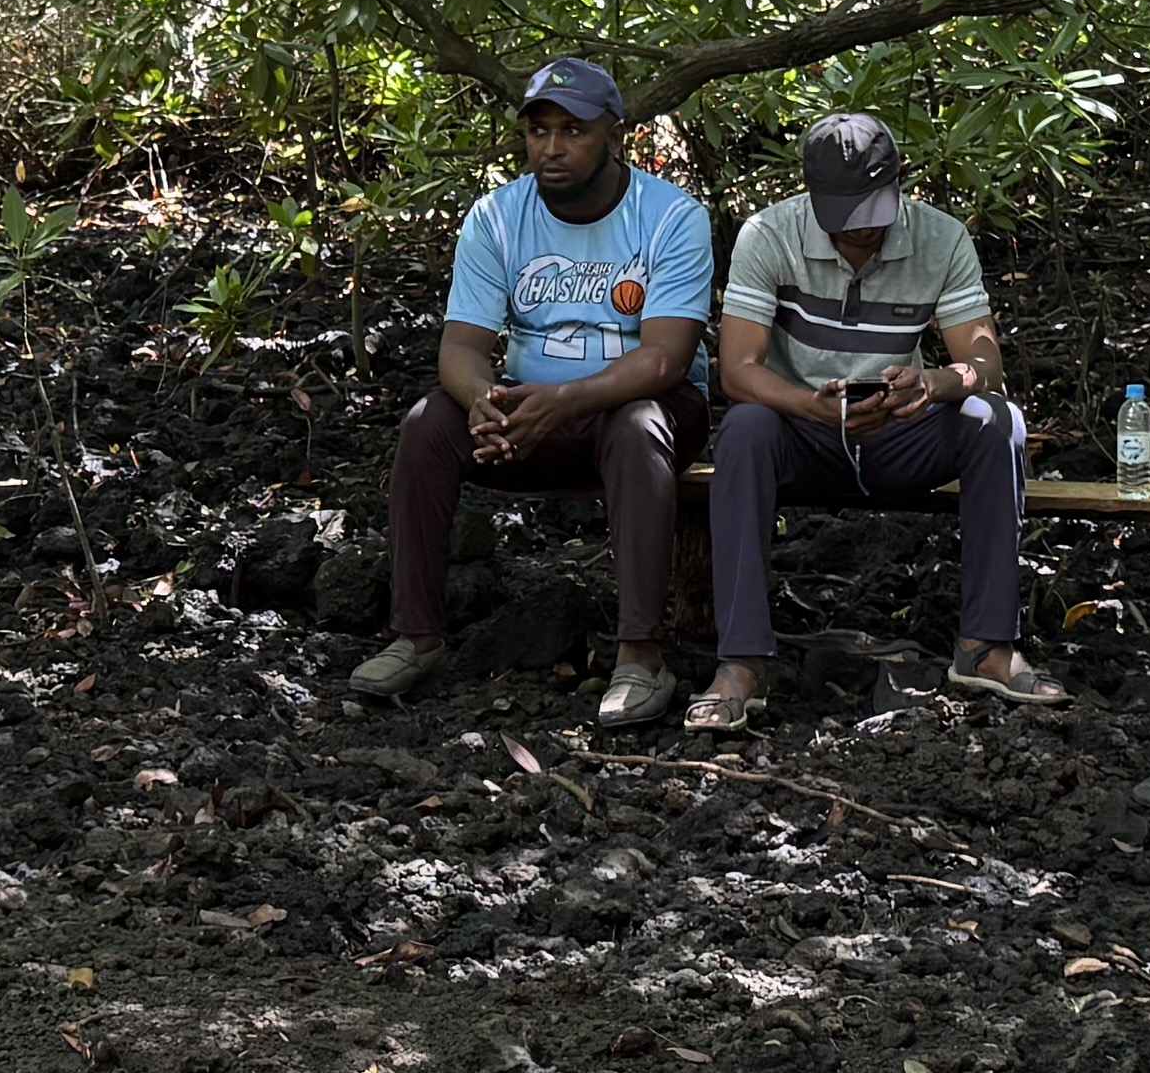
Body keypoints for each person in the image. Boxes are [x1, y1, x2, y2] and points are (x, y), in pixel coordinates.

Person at [357, 59, 715, 732]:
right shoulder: (496, 216)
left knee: (637, 426)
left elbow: (666, 358)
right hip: (529, 413)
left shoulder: (671, 218)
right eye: (538, 130)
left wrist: (566, 401)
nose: (552, 148)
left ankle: (640, 656)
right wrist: (484, 400)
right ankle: (417, 636)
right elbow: (460, 349)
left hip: (646, 412)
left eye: (573, 131)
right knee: (428, 423)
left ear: (615, 135)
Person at [692, 113, 1062, 731]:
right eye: (842, 215)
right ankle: (742, 663)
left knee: (996, 420)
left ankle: (986, 647)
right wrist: (813, 405)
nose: (860, 231)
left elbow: (985, 363)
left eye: (872, 211)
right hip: (804, 432)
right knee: (745, 429)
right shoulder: (768, 235)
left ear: (901, 183)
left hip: (901, 431)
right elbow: (738, 370)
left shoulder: (942, 239)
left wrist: (939, 383)